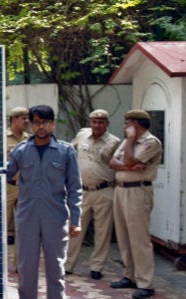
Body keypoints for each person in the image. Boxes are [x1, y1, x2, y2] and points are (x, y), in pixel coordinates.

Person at [6, 105, 82, 299]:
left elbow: (74, 187)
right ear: (30, 124)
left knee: (56, 267)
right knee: (26, 267)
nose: (42, 127)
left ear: (53, 124)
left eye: (47, 122)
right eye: (37, 122)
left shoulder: (66, 152)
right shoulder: (21, 151)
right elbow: (5, 173)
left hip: (55, 216)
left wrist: (76, 219)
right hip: (27, 215)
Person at [109, 109, 162, 299]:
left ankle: (145, 283)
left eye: (127, 123)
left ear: (136, 124)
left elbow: (129, 158)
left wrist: (130, 142)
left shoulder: (150, 142)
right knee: (123, 236)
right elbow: (113, 162)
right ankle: (130, 275)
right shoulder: (127, 141)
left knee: (139, 238)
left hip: (138, 191)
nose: (124, 127)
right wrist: (128, 166)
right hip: (121, 189)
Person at [64, 109, 120, 280]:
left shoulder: (115, 142)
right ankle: (67, 265)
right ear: (90, 122)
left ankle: (97, 267)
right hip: (82, 191)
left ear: (107, 124)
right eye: (94, 121)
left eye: (101, 122)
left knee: (102, 232)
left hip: (104, 190)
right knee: (74, 228)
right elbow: (70, 153)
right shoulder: (82, 135)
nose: (97, 125)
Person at [6, 106, 31, 247]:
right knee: (4, 222)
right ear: (14, 119)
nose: (27, 121)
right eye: (23, 118)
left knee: (25, 222)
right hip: (8, 185)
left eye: (28, 118)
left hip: (25, 185)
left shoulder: (30, 139)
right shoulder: (1, 138)